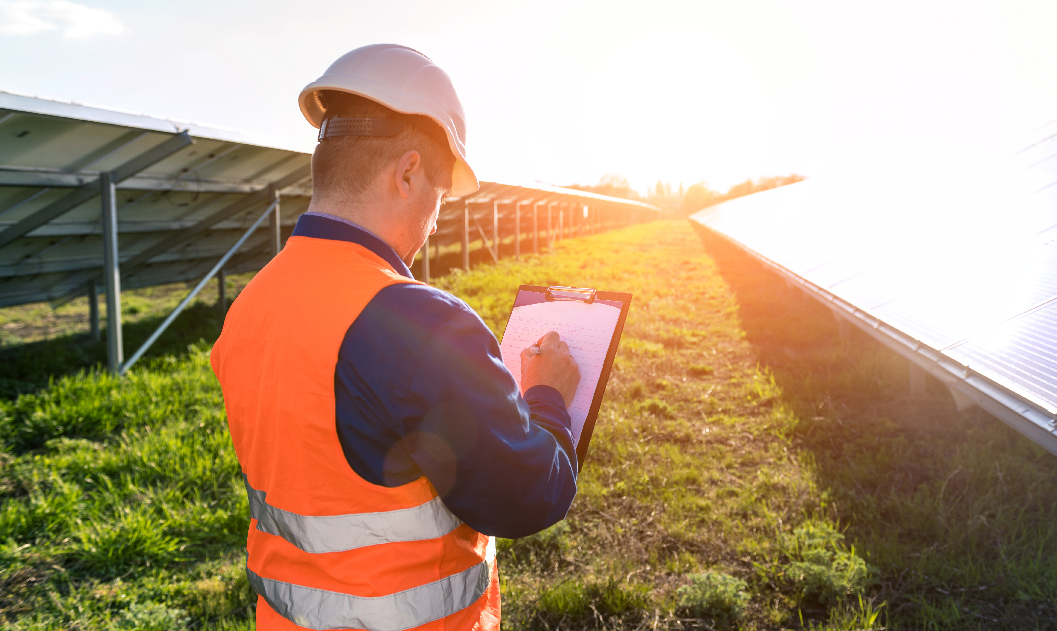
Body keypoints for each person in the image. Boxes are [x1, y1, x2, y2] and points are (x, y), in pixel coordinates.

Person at [210, 44, 581, 631]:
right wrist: (547, 396)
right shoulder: (420, 323)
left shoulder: (252, 305)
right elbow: (528, 495)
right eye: (439, 195)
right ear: (408, 174)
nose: (435, 220)